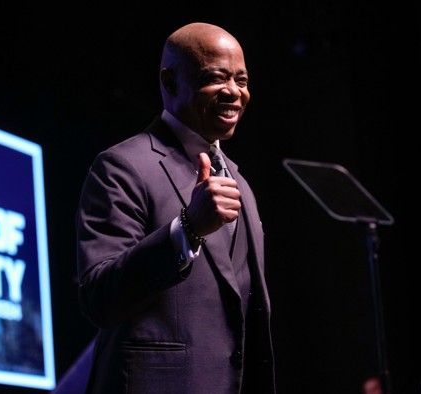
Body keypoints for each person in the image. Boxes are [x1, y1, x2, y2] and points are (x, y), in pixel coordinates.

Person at [75, 22, 275, 393]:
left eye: (242, 80)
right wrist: (187, 229)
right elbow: (98, 297)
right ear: (169, 82)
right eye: (216, 77)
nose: (233, 91)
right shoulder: (122, 166)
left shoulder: (240, 181)